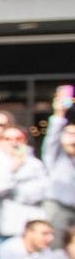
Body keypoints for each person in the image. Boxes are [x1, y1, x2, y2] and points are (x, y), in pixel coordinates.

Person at [0, 125, 49, 246]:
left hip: (32, 229)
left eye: (18, 138)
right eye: (7, 138)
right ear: (0, 141)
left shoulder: (35, 164)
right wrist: (12, 169)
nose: (13, 142)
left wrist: (16, 192)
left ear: (24, 140)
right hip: (5, 230)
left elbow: (42, 192)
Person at [41, 89, 75, 234]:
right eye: (69, 134)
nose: (73, 138)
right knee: (55, 249)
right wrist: (59, 113)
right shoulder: (54, 156)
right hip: (58, 208)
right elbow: (52, 138)